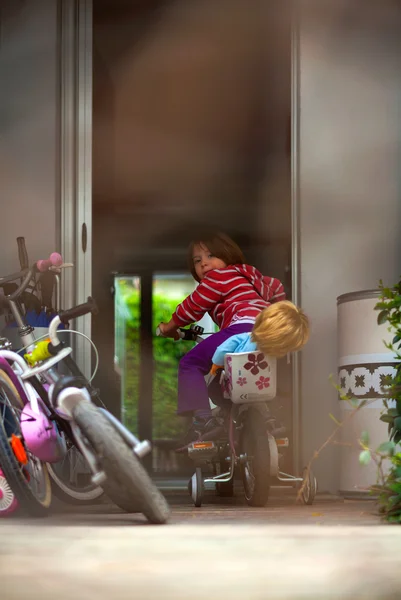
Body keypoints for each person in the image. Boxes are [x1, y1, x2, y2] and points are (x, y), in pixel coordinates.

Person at [157, 231, 286, 447]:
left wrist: (169, 327)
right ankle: (269, 418)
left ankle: (203, 421)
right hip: (267, 332)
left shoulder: (219, 277)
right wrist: (274, 313)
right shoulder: (252, 276)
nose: (204, 264)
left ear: (228, 255)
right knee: (250, 375)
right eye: (197, 261)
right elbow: (277, 287)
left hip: (241, 327)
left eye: (210, 256)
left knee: (190, 364)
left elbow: (192, 306)